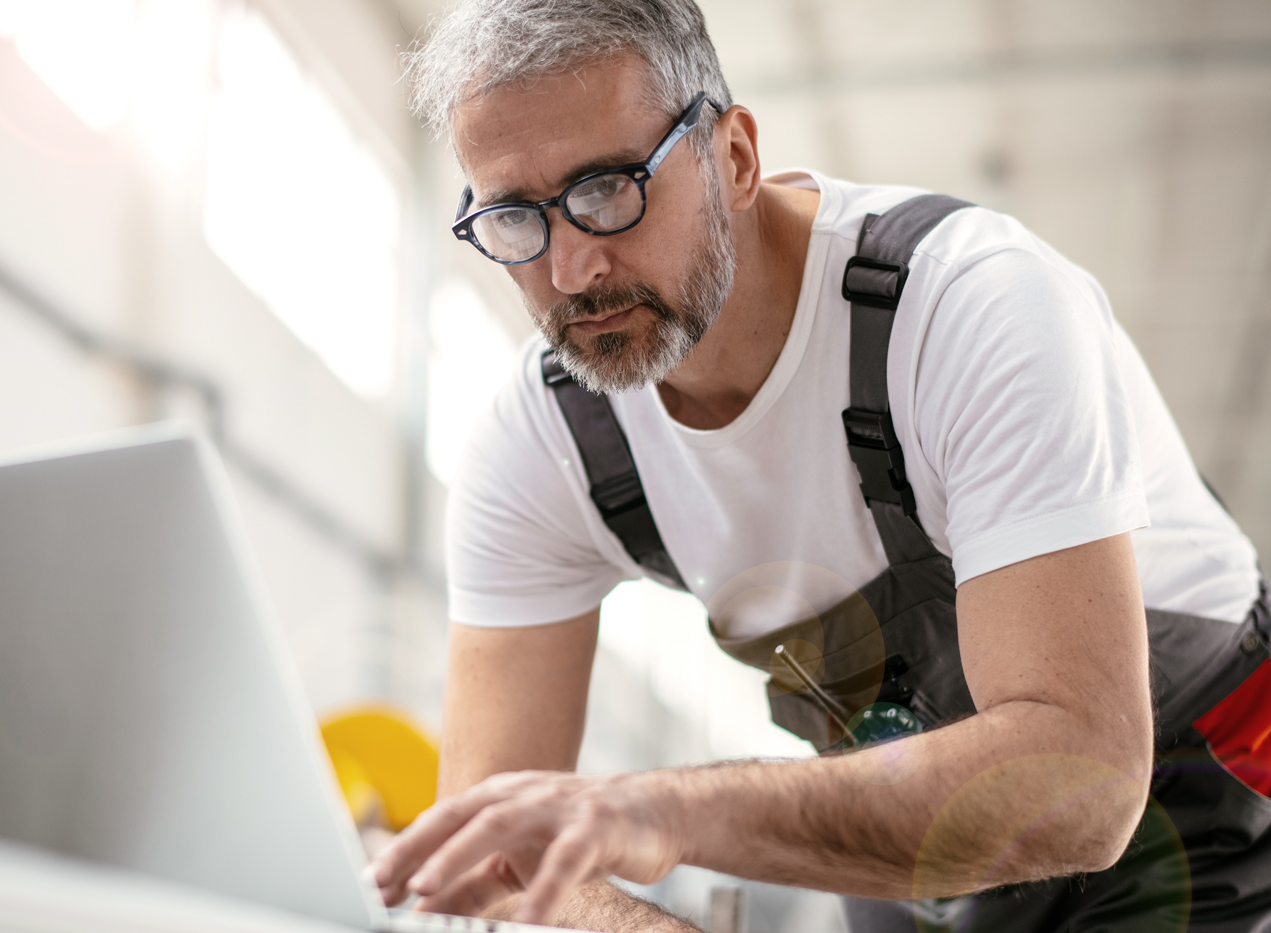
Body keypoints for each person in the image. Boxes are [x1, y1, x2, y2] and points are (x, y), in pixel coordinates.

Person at [368, 1, 1271, 930]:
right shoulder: (544, 441)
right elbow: (494, 852)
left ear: (736, 157)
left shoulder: (968, 307)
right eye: (515, 219)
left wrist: (664, 809)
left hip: (1196, 784)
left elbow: (1081, 783)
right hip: (910, 814)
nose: (569, 269)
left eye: (607, 190)